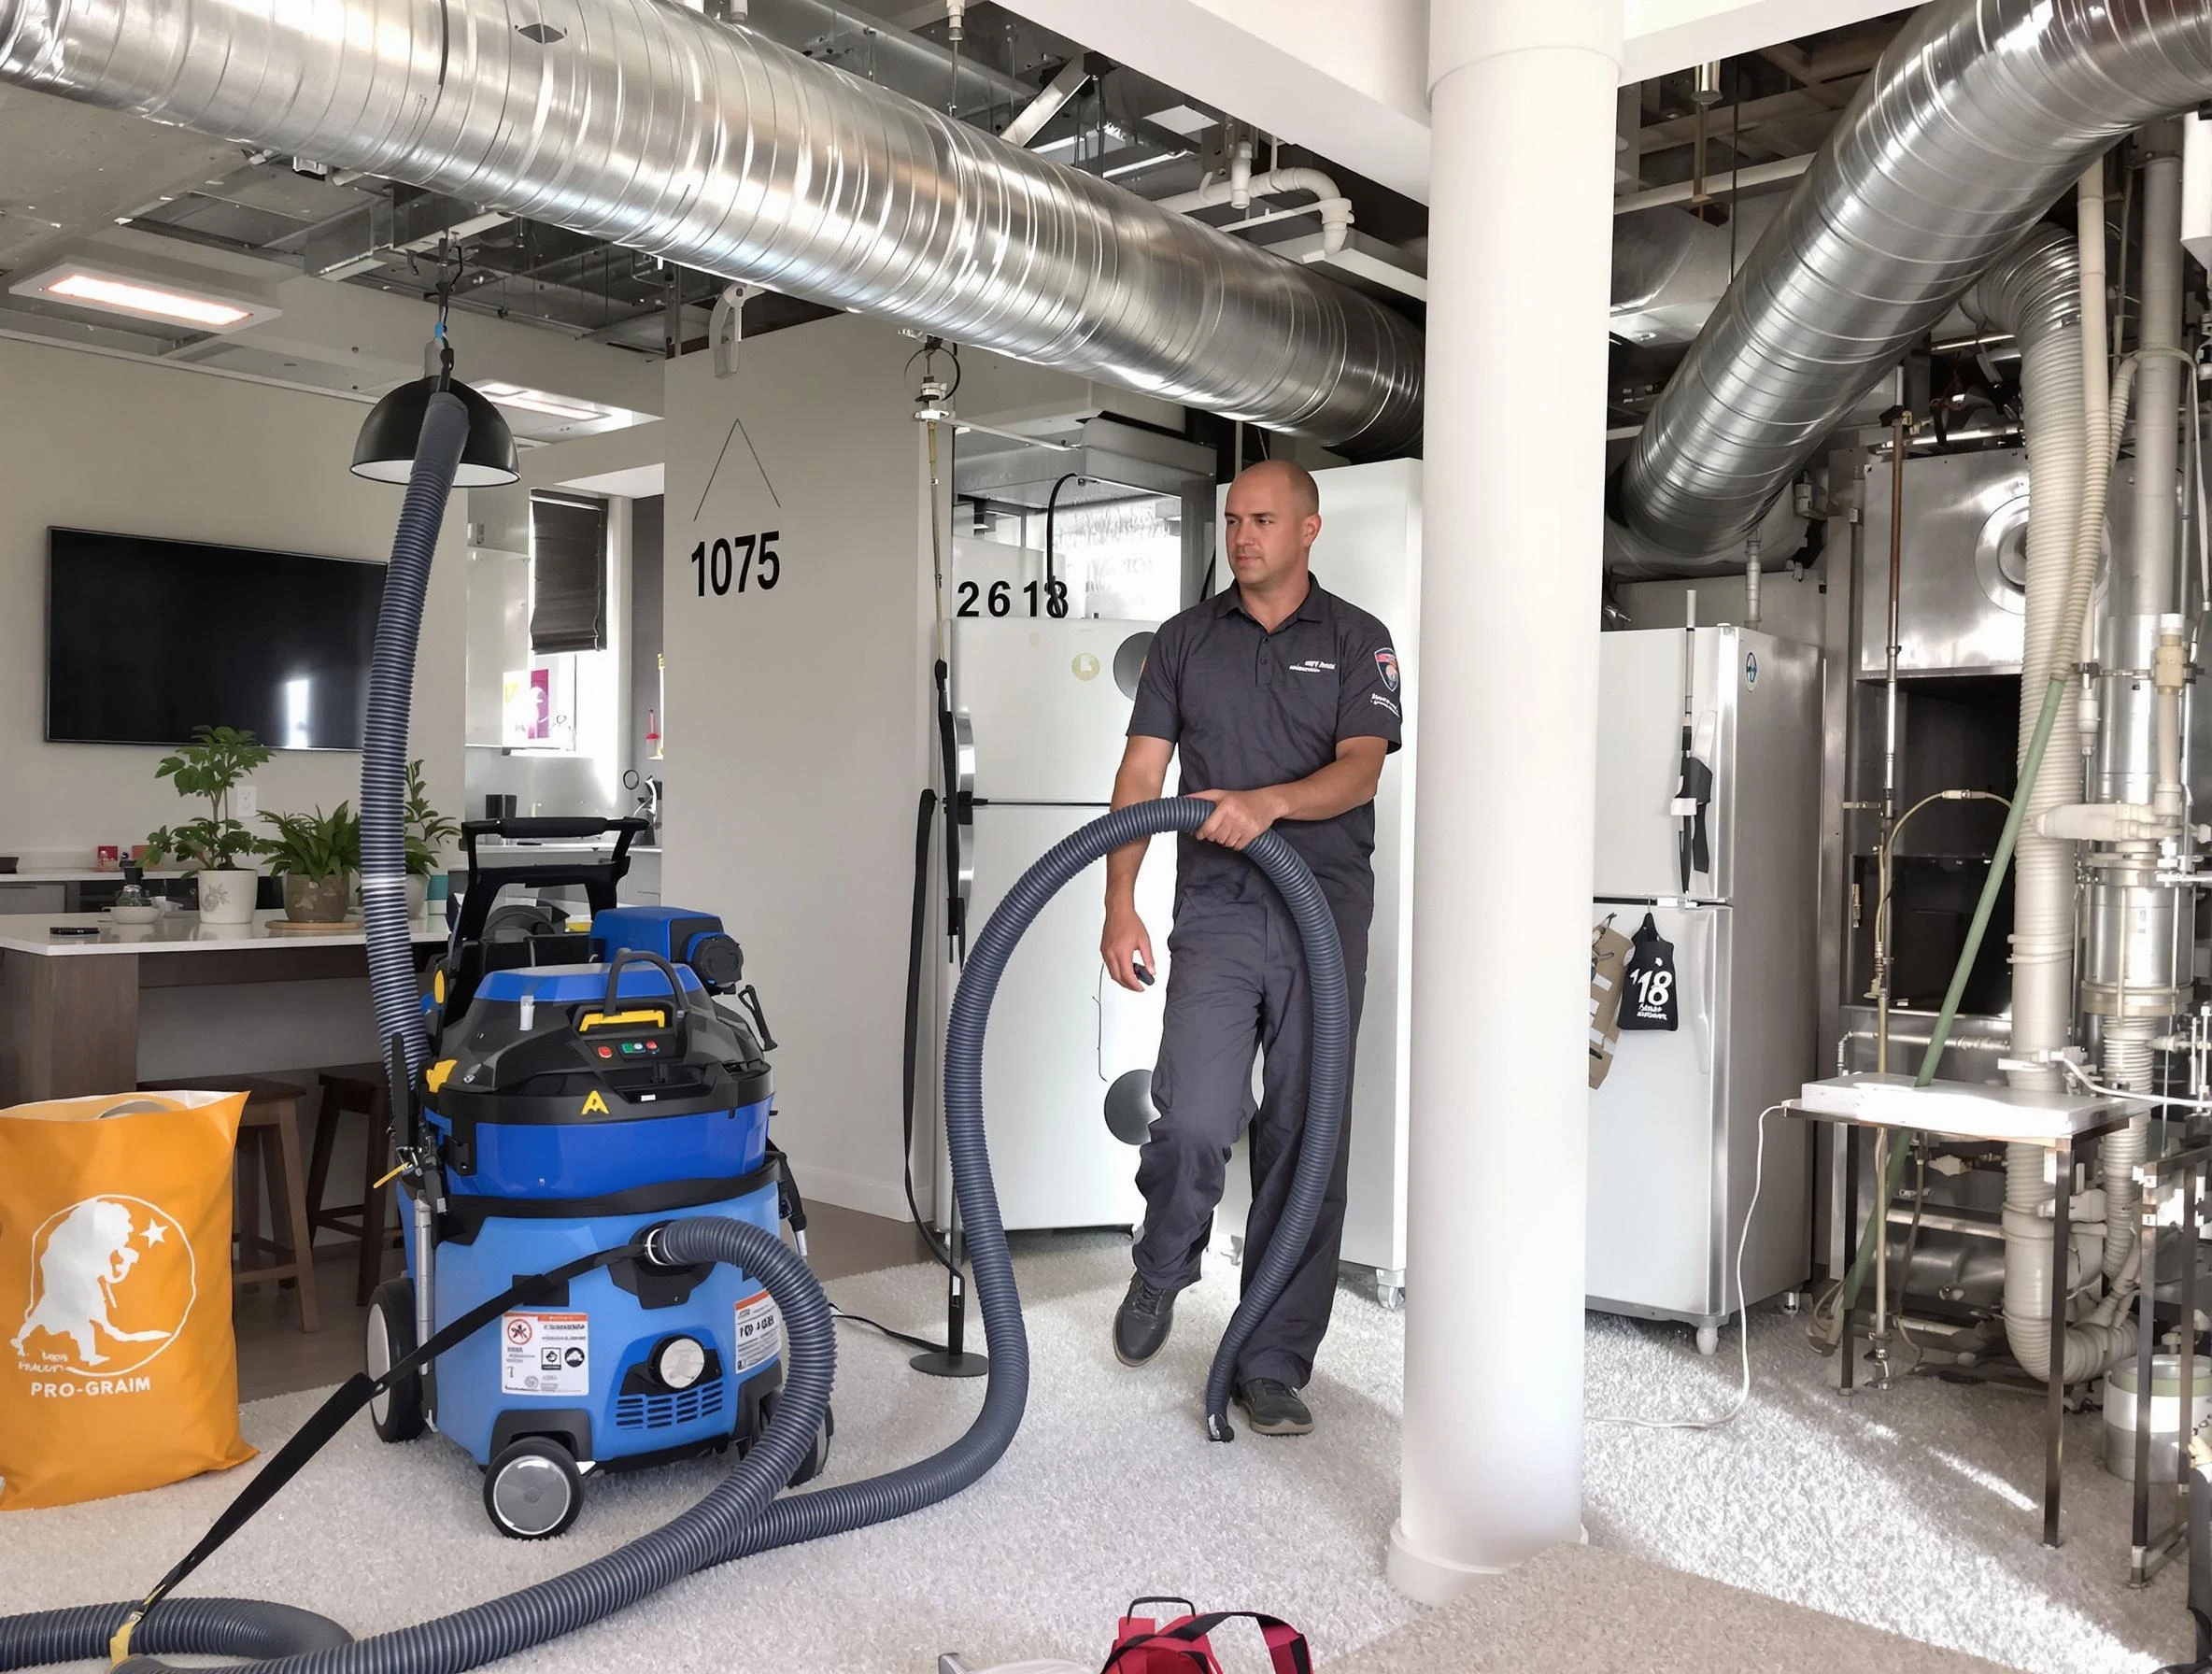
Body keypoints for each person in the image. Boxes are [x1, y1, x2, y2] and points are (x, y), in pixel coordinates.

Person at [1100, 458, 1403, 1437]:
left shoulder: (1358, 639)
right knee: (1196, 1112)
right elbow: (1141, 774)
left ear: (1309, 529)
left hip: (1325, 908)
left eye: (1263, 520)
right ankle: (1163, 1262)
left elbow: (1359, 771)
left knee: (1306, 1135)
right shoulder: (1186, 640)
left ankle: (1270, 1362)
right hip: (1221, 906)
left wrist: (1265, 803)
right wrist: (1118, 900)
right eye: (1234, 520)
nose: (1241, 536)